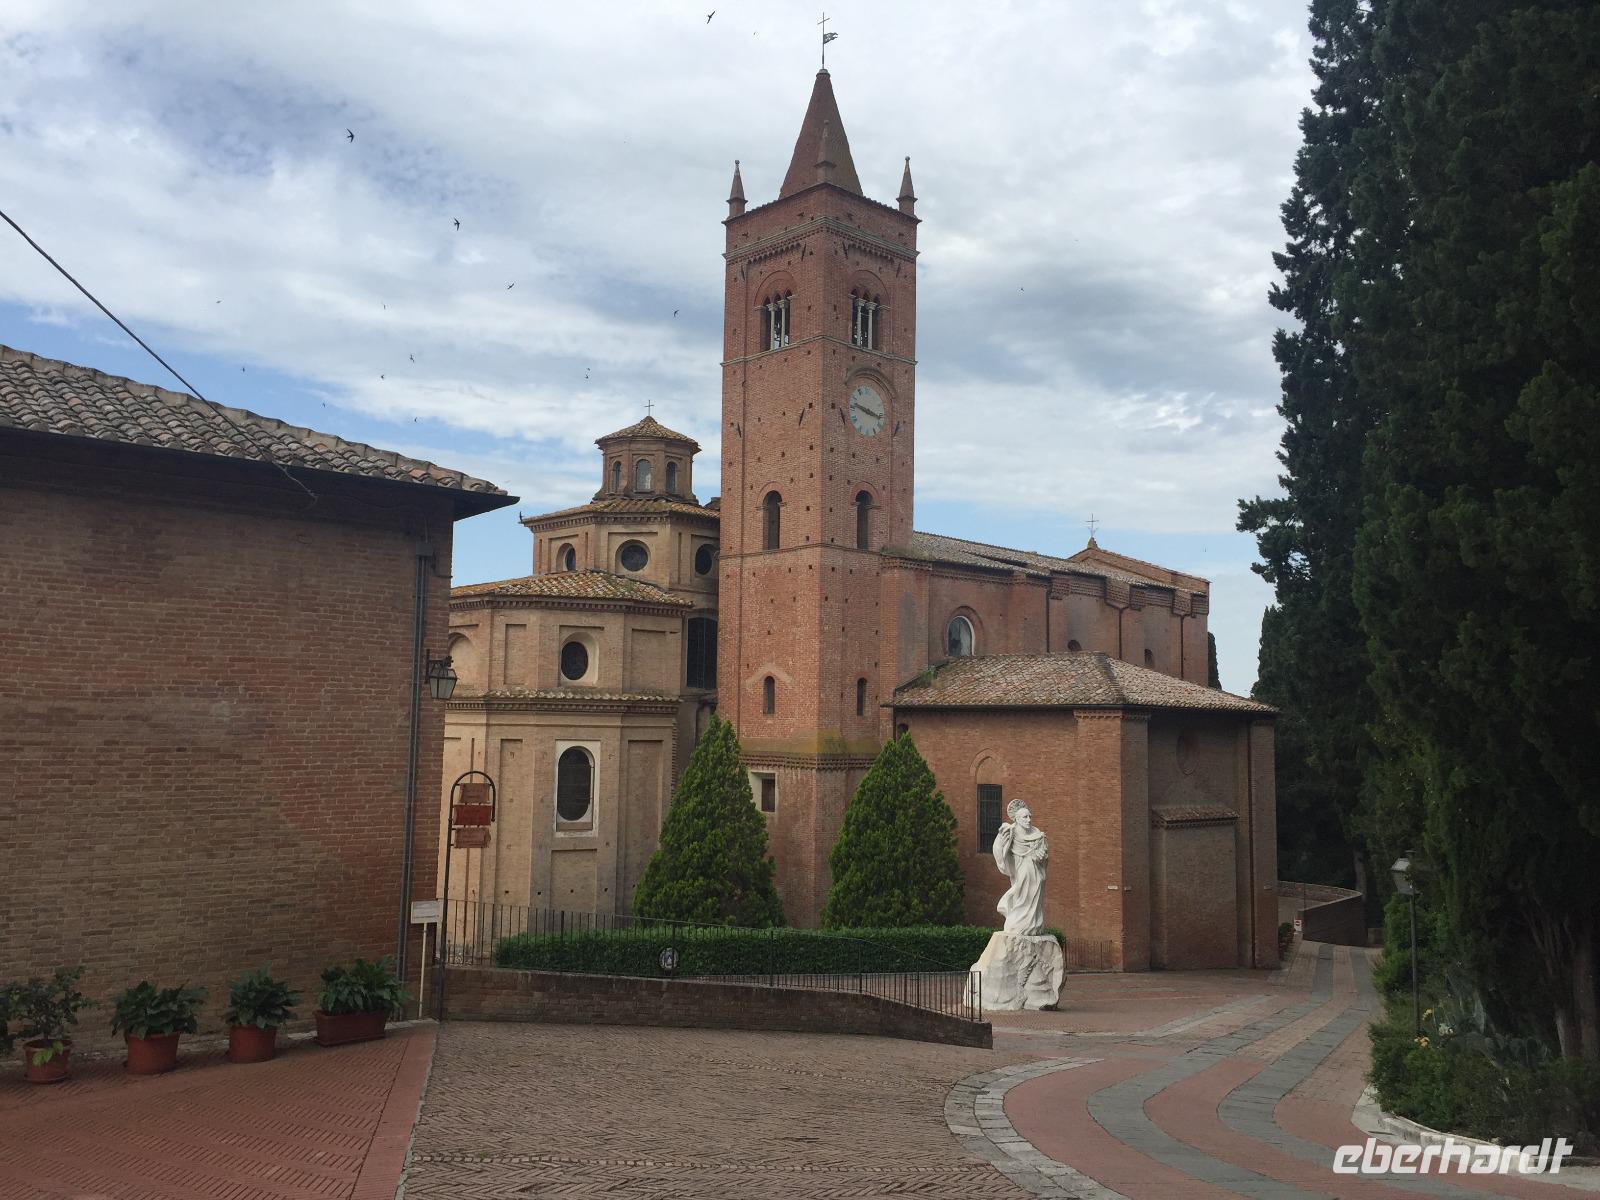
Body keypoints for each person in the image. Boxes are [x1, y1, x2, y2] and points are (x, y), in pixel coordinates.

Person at [992, 798, 1048, 935]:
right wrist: (1001, 839)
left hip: (1037, 872)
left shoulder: (1038, 834)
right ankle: (1019, 923)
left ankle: (1034, 924)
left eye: (1029, 816)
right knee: (1022, 895)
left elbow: (1044, 853)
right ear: (1016, 819)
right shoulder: (1010, 831)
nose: (1028, 820)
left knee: (1035, 895)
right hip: (1021, 870)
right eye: (1025, 817)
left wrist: (1042, 857)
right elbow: (998, 848)